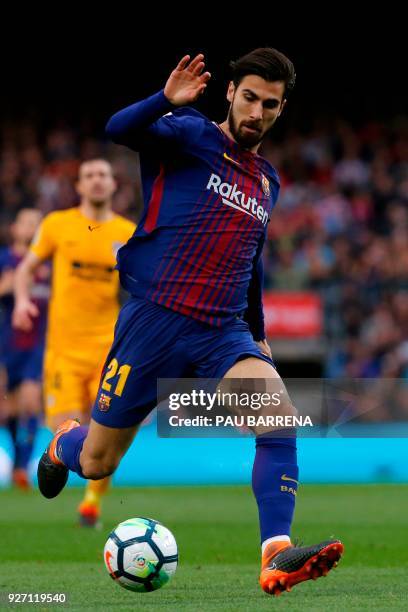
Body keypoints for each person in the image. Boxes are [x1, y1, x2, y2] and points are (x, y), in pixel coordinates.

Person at [35, 50, 343, 595]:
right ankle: (64, 446)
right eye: (249, 97)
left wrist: (260, 335)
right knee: (99, 461)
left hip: (221, 332)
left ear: (281, 109)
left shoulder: (266, 183)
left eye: (270, 104)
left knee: (277, 418)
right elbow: (116, 128)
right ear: (230, 93)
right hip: (152, 322)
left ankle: (275, 553)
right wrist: (163, 99)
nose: (257, 111)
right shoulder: (188, 134)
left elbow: (250, 262)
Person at [13, 159, 135, 525]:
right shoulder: (57, 224)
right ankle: (61, 460)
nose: (97, 181)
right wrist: (21, 301)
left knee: (107, 432)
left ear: (114, 185)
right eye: (89, 176)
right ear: (79, 186)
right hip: (63, 351)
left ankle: (91, 504)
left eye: (103, 175)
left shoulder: (128, 232)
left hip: (108, 349)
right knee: (64, 428)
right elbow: (26, 269)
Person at [0, 208, 47, 489]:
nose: (33, 227)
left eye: (37, 224)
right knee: (9, 410)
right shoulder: (5, 259)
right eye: (28, 222)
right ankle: (18, 459)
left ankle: (22, 468)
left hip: (38, 347)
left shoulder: (50, 264)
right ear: (15, 229)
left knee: (31, 403)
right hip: (7, 345)